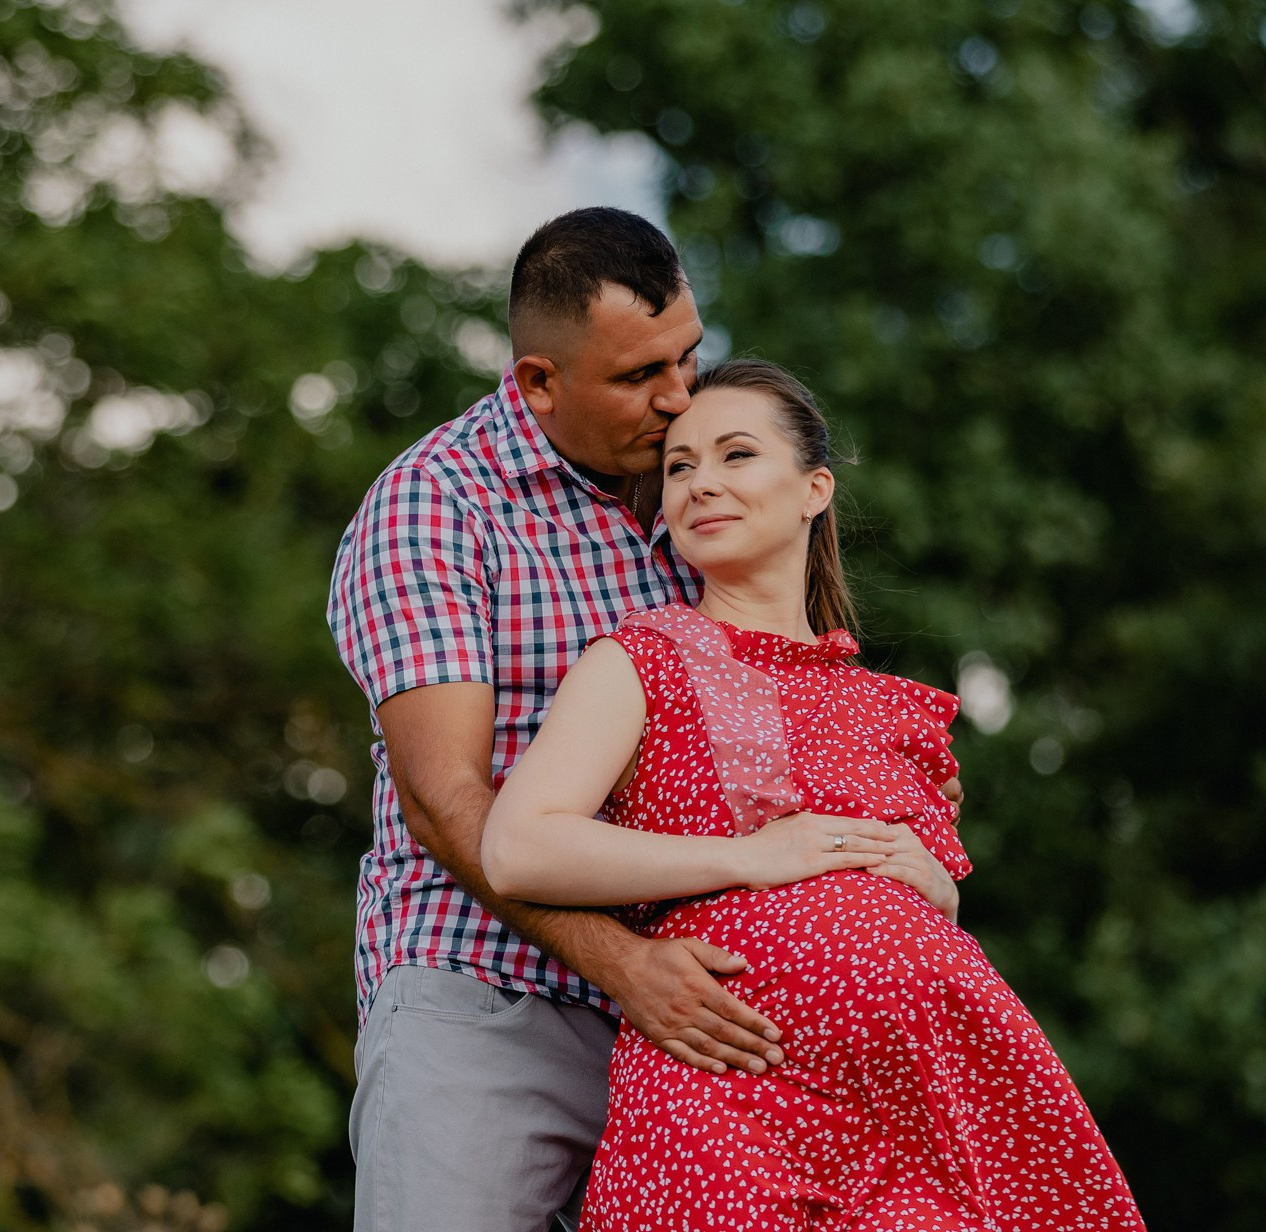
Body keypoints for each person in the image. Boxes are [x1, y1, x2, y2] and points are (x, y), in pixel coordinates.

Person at [326, 208, 953, 1231]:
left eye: (687, 357)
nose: (676, 400)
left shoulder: (693, 491)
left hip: (700, 1021)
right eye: (635, 378)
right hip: (491, 996)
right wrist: (624, 964)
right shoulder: (432, 507)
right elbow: (446, 804)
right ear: (537, 382)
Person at [479, 359, 1145, 1232]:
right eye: (679, 467)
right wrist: (751, 858)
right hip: (729, 1111)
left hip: (917, 1122)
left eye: (735, 455)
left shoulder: (895, 709)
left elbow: (925, 900)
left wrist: (936, 888)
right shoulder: (641, 659)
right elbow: (517, 846)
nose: (701, 483)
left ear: (813, 488)